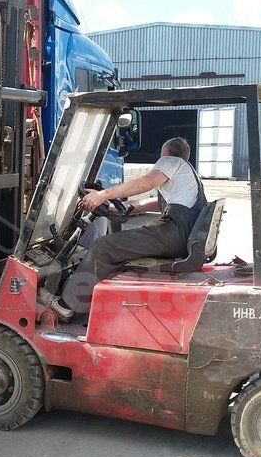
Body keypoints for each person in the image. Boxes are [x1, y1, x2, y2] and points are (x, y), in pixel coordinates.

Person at [51, 137, 206, 320]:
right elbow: (147, 204)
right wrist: (110, 206)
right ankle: (95, 298)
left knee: (103, 247)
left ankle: (68, 305)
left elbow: (145, 183)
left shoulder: (170, 161)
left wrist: (104, 194)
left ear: (165, 153)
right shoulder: (187, 177)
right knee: (117, 246)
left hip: (173, 233)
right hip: (182, 235)